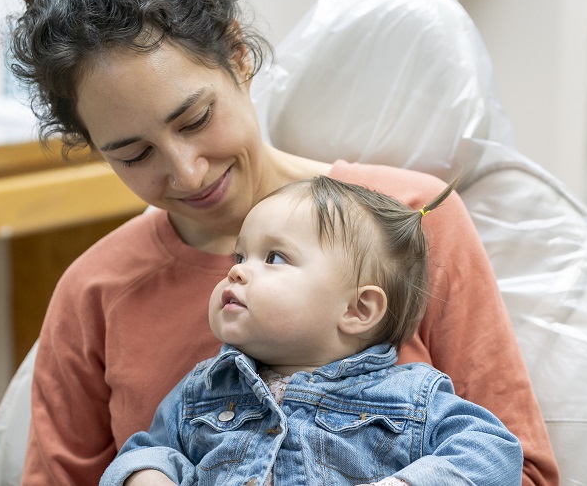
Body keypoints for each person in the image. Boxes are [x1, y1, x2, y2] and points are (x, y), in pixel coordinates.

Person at [8, 0, 557, 484]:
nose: (188, 172)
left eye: (196, 119)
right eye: (133, 154)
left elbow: (520, 468)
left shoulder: (406, 222)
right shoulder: (95, 292)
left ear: (238, 55)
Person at [102, 176, 522, 486]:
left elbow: (495, 451)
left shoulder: (411, 398)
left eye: (275, 258)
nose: (236, 270)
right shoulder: (202, 389)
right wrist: (146, 473)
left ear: (358, 309)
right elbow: (147, 448)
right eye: (241, 254)